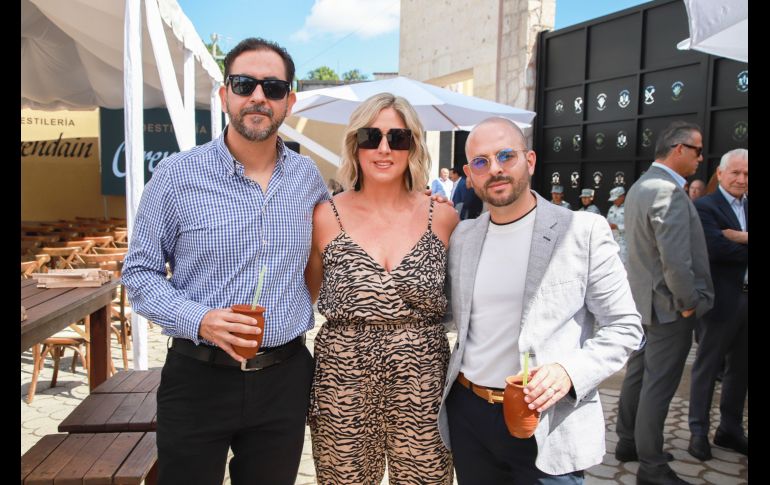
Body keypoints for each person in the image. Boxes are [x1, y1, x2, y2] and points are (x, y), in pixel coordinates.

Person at [122, 37, 329, 485]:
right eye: (244, 84)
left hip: (284, 378)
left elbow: (319, 260)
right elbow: (138, 273)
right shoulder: (177, 175)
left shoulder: (308, 179)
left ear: (289, 101)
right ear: (224, 95)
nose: (258, 96)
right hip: (198, 376)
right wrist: (201, 319)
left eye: (273, 88)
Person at [437, 117, 643, 483]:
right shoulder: (464, 236)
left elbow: (625, 327)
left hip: (546, 418)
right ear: (469, 175)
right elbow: (447, 315)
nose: (496, 169)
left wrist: (569, 372)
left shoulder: (582, 231)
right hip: (469, 415)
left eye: (505, 155)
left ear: (529, 161)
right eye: (482, 162)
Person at [305, 93, 459, 484]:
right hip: (342, 379)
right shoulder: (325, 215)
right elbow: (302, 294)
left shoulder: (443, 217)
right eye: (371, 137)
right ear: (355, 145)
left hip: (423, 380)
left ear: (414, 145)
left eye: (398, 138)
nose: (384, 148)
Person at [615, 121, 714, 485]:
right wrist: (688, 301)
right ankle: (652, 465)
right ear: (678, 149)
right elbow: (675, 259)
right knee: (658, 384)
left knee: (639, 376)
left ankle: (629, 442)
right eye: (698, 150)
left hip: (645, 303)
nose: (701, 159)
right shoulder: (667, 191)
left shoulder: (643, 186)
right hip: (668, 307)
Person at [687, 149, 748, 461]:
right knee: (707, 367)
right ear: (721, 174)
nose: (741, 179)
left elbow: (730, 245)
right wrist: (730, 241)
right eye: (735, 173)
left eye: (747, 174)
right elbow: (715, 249)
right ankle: (698, 431)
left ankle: (730, 430)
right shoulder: (705, 206)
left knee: (741, 369)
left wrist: (740, 236)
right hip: (721, 300)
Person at [606, 186, 627, 265]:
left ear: (622, 197)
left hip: (624, 242)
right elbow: (607, 220)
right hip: (612, 240)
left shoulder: (628, 208)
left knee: (623, 264)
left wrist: (617, 226)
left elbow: (631, 224)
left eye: (615, 199)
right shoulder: (611, 208)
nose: (614, 201)